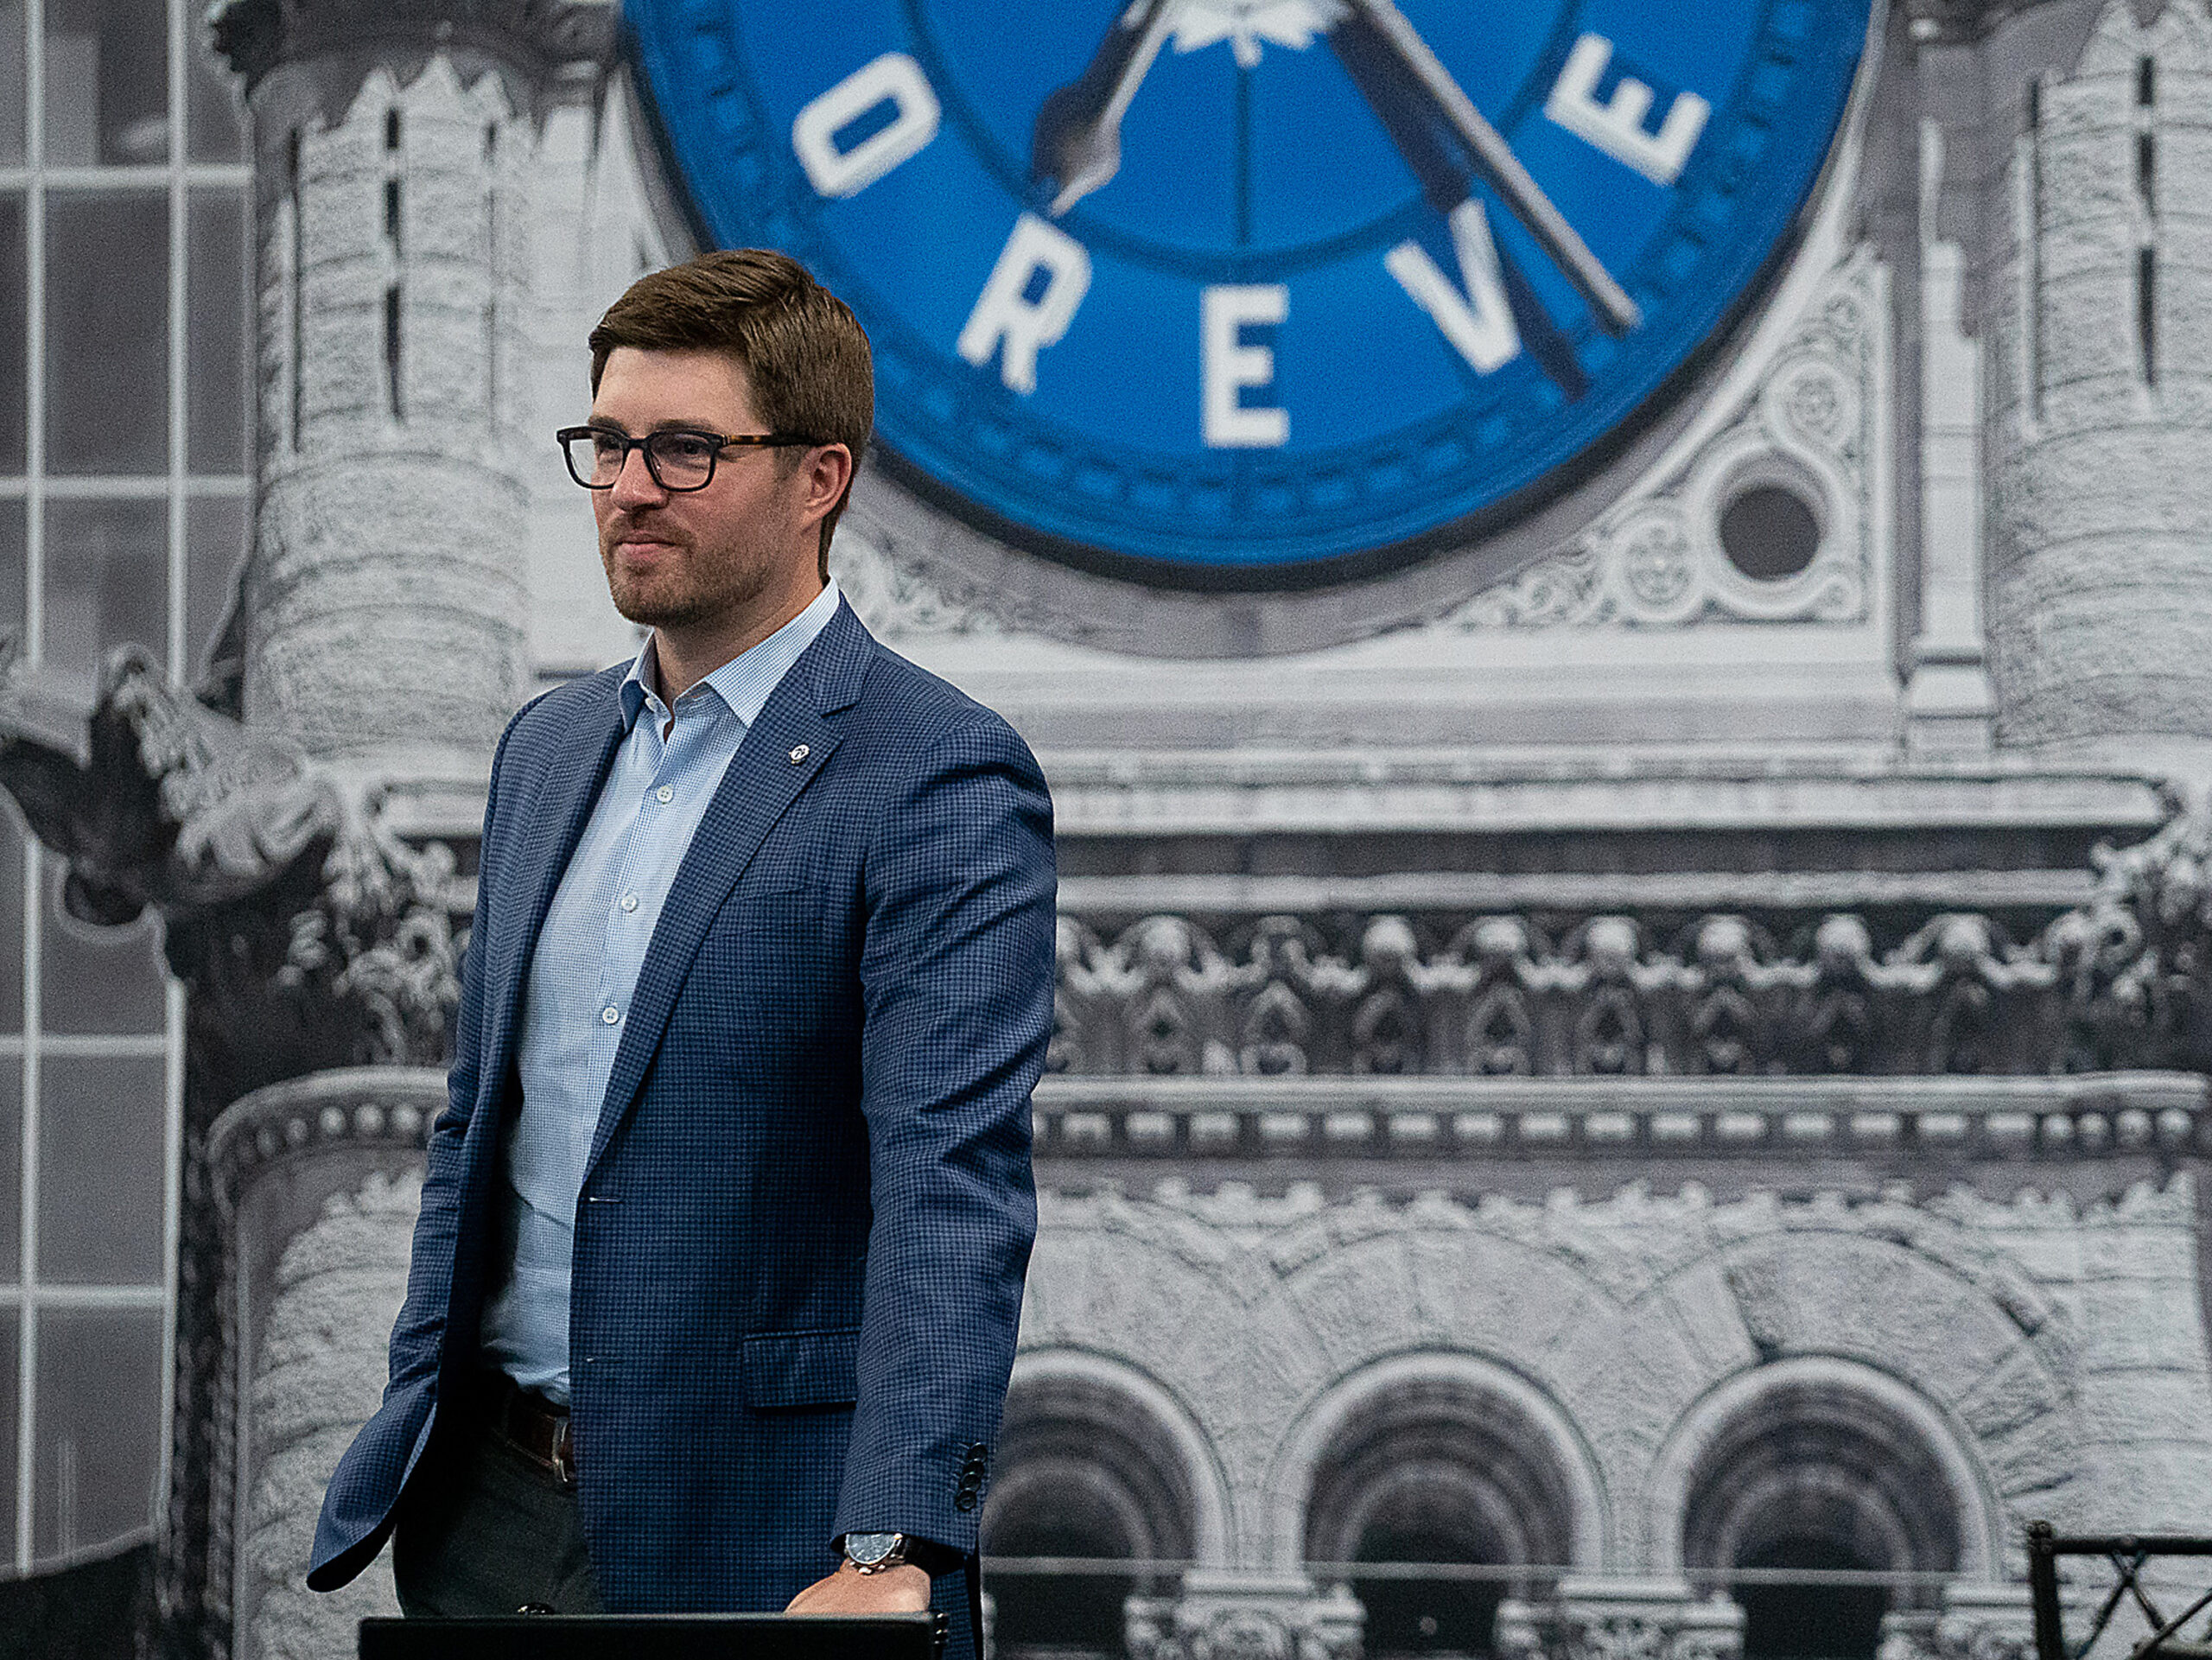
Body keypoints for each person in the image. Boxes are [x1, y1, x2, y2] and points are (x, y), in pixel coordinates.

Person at [306, 249, 1055, 1654]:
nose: (629, 485)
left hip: (766, 1540)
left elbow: (950, 1192)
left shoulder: (939, 775)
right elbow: (481, 1121)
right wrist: (424, 1401)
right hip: (482, 1518)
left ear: (819, 478)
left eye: (686, 449)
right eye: (608, 442)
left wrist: (894, 1544)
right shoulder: (544, 751)